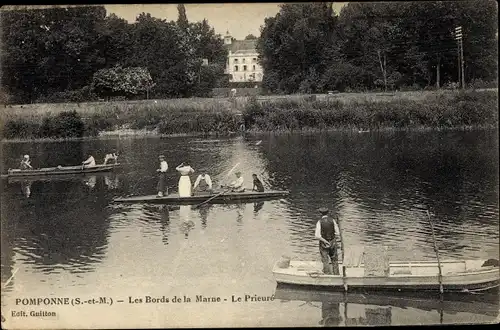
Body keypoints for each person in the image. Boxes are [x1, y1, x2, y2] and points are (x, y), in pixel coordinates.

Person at [315, 207, 341, 275]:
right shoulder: (333, 220)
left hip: (323, 243)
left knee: (325, 259)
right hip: (332, 241)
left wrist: (325, 241)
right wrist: (332, 238)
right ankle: (336, 274)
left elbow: (317, 236)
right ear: (328, 213)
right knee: (334, 259)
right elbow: (338, 233)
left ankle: (327, 275)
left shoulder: (319, 222)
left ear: (320, 214)